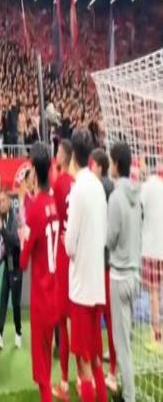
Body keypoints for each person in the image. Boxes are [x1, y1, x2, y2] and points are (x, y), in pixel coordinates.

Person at [65, 128, 108, 402]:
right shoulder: (98, 186)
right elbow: (103, 234)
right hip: (97, 283)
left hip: (81, 287)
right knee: (95, 358)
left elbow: (70, 244)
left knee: (83, 361)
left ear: (73, 157)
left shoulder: (78, 188)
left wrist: (69, 244)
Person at [19, 142, 59, 402]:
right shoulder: (53, 203)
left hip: (42, 298)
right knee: (46, 364)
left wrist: (24, 237)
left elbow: (23, 261)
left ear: (34, 170)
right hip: (54, 292)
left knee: (42, 374)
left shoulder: (35, 208)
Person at [106, 141, 142, 402]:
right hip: (135, 274)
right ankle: (125, 390)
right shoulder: (137, 195)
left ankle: (128, 396)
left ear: (117, 165)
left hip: (119, 276)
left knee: (122, 346)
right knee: (126, 341)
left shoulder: (116, 197)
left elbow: (110, 239)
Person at [90, 147, 117, 391]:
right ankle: (111, 368)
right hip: (111, 261)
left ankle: (107, 371)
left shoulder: (100, 189)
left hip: (103, 263)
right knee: (110, 318)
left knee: (101, 316)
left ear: (99, 166)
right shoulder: (113, 188)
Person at [51, 139, 75, 400]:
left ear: (64, 157)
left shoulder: (59, 184)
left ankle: (65, 382)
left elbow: (56, 219)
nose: (55, 154)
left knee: (62, 321)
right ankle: (85, 377)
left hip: (62, 255)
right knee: (76, 319)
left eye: (58, 151)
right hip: (76, 256)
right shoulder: (76, 185)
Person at [0, 190, 22, 350]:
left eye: (3, 200)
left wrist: (2, 229)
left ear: (9, 202)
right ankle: (0, 334)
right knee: (3, 299)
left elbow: (15, 242)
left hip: (16, 267)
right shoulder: (3, 218)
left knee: (15, 303)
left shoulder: (15, 218)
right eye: (0, 200)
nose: (0, 203)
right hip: (8, 265)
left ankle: (18, 332)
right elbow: (6, 246)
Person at [140, 164, 163, 351]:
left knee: (154, 293)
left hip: (152, 248)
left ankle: (157, 336)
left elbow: (139, 208)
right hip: (156, 247)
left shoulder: (149, 185)